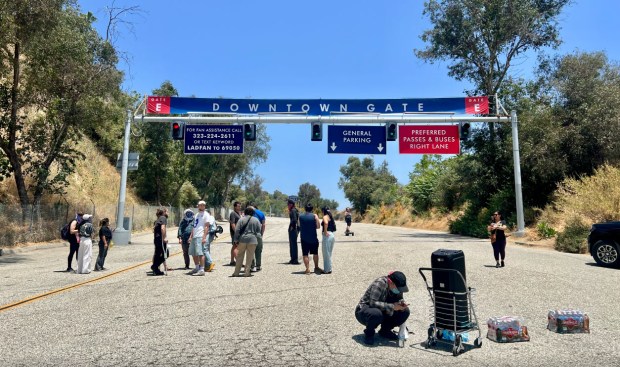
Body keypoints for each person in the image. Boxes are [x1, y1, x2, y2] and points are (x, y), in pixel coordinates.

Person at [355, 271, 410, 345]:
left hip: (383, 308)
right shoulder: (379, 283)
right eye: (398, 289)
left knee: (405, 311)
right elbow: (373, 303)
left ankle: (385, 331)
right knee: (376, 314)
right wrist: (393, 307)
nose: (399, 291)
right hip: (365, 310)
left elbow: (399, 298)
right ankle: (369, 334)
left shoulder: (397, 288)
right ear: (391, 282)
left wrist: (402, 304)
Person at [232, 206, 262, 277]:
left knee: (240, 256)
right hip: (252, 240)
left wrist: (236, 240)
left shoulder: (241, 219)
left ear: (245, 212)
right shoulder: (256, 220)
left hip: (242, 239)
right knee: (250, 257)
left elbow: (237, 230)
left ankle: (236, 272)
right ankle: (247, 272)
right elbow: (258, 231)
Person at [188, 200, 214, 276]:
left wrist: (204, 237)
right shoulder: (196, 215)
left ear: (205, 206)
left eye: (203, 205)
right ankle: (197, 267)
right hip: (195, 236)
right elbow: (194, 226)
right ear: (198, 206)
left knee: (200, 253)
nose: (201, 206)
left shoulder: (206, 215)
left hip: (200, 235)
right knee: (193, 253)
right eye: (200, 205)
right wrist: (191, 236)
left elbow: (207, 226)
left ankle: (202, 269)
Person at [299, 203, 322, 275]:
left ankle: (307, 269)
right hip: (313, 238)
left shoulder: (300, 216)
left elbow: (299, 225)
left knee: (305, 254)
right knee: (315, 253)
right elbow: (318, 226)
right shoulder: (314, 216)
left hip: (304, 238)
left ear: (305, 208)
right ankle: (316, 267)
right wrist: (316, 218)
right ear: (312, 209)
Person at [151, 208, 168, 276]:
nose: (167, 213)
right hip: (160, 239)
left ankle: (156, 270)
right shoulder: (163, 218)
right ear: (164, 212)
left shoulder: (157, 219)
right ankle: (154, 266)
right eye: (167, 212)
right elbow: (162, 228)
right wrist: (164, 238)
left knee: (157, 254)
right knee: (166, 253)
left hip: (156, 239)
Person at [249, 203, 266, 272]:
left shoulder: (248, 212)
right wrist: (261, 234)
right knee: (258, 250)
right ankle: (258, 266)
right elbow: (263, 225)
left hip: (250, 233)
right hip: (258, 234)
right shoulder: (261, 213)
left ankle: (252, 266)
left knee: (251, 250)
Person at [321, 207, 336, 274]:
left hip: (327, 235)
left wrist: (325, 231)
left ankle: (326, 270)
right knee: (329, 253)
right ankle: (329, 268)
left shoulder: (325, 216)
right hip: (332, 235)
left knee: (326, 253)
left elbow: (326, 223)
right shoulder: (330, 216)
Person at [228, 201, 242, 266]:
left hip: (237, 232)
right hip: (235, 233)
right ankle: (239, 262)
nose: (240, 207)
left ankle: (232, 261)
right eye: (238, 206)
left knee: (234, 246)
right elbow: (232, 223)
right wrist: (236, 232)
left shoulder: (238, 213)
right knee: (236, 246)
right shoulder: (233, 214)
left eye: (240, 206)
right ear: (235, 206)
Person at [287, 199, 300, 265]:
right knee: (292, 244)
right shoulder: (294, 210)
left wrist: (292, 228)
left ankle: (295, 259)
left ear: (291, 204)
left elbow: (294, 220)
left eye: (288, 204)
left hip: (293, 229)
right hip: (294, 229)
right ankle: (293, 259)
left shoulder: (293, 210)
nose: (287, 206)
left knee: (293, 244)